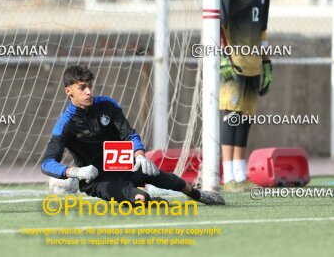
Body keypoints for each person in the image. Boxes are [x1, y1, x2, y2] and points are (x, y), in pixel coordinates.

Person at [41, 65, 225, 206]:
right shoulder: (64, 124)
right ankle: (151, 202)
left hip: (124, 166)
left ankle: (200, 195)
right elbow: (47, 163)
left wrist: (140, 156)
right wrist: (75, 172)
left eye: (89, 86)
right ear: (68, 91)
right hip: (99, 180)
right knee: (141, 198)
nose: (88, 91)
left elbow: (129, 134)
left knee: (166, 178)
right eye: (81, 88)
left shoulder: (107, 105)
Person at [220, 0, 273, 192]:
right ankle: (227, 176)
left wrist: (267, 63)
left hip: (254, 65)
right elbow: (220, 26)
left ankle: (240, 176)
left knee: (245, 119)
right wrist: (222, 58)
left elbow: (262, 30)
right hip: (234, 64)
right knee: (231, 117)